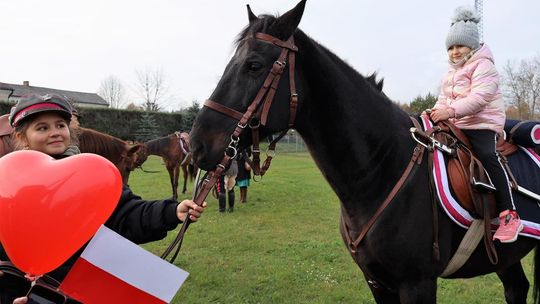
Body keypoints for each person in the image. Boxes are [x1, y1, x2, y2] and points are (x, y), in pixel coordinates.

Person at [0, 93, 207, 303]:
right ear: (22, 137)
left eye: (60, 125)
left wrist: (171, 211)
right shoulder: (7, 179)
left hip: (80, 290)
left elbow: (128, 214)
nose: (55, 133)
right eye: (42, 128)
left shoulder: (90, 174)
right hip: (19, 291)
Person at [427, 6, 522, 243]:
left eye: (459, 46)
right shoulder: (450, 73)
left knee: (488, 156)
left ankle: (509, 213)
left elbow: (479, 99)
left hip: (482, 125)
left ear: (471, 45)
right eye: (450, 47)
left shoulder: (484, 66)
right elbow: (443, 98)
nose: (455, 51)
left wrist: (449, 111)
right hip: (457, 124)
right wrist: (436, 112)